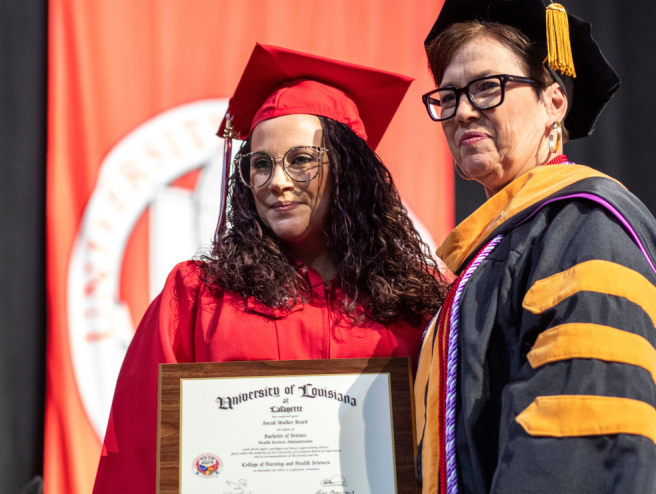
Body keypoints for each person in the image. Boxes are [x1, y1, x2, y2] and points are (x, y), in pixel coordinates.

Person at [92, 43, 447, 493]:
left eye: (300, 160)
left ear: (349, 170)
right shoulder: (198, 297)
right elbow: (139, 454)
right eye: (260, 164)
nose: (276, 181)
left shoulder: (418, 302)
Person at [414, 0, 656, 494]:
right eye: (448, 96)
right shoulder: (497, 245)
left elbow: (586, 439)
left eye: (487, 88)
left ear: (554, 102)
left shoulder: (585, 228)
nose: (462, 112)